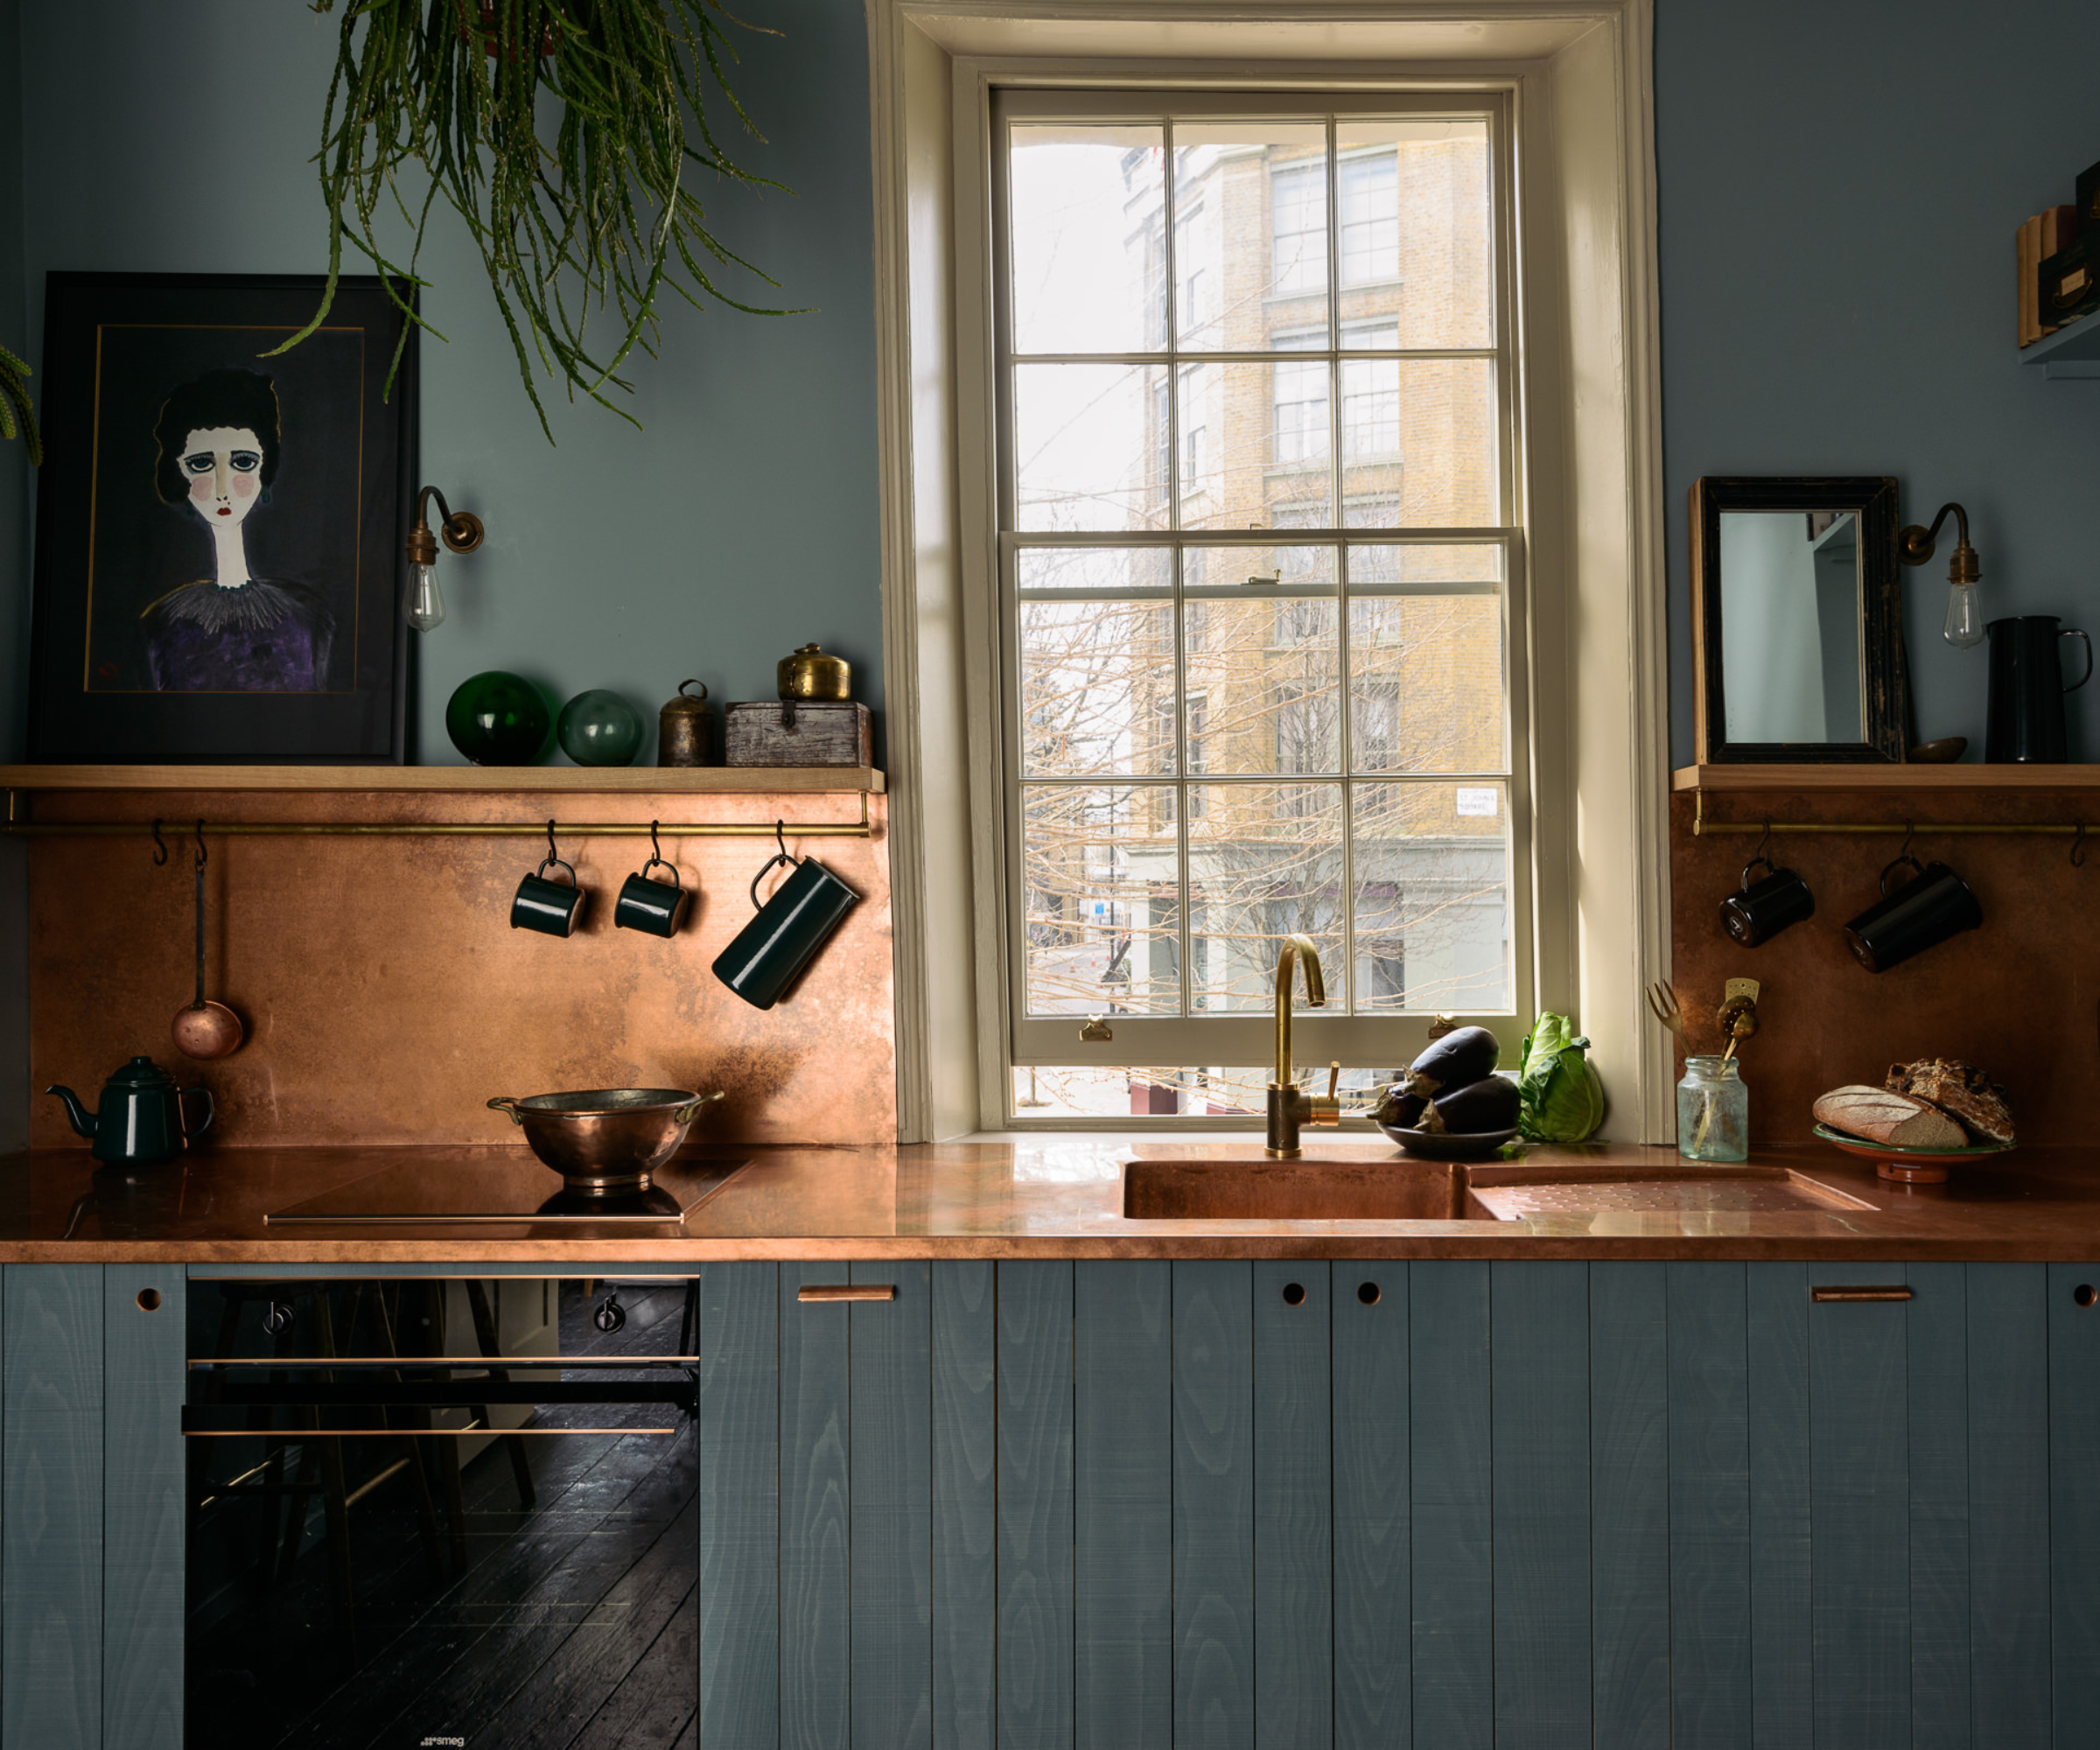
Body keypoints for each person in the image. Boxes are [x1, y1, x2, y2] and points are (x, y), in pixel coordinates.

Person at [139, 368, 333, 691]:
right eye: (202, 464)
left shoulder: (308, 618)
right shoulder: (159, 625)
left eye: (242, 462)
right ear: (180, 477)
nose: (222, 487)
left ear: (264, 472)